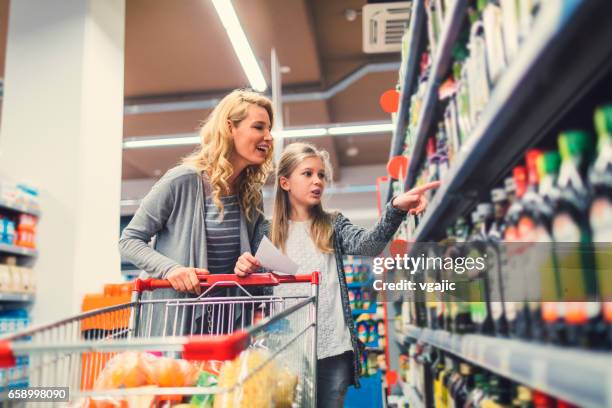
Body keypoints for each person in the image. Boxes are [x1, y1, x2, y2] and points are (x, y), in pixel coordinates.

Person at [234, 142, 440, 407]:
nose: (317, 181)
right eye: (307, 174)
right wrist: (245, 268)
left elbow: (369, 244)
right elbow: (255, 291)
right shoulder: (265, 231)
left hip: (333, 350)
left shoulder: (332, 223)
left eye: (321, 175)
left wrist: (396, 208)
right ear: (285, 182)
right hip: (287, 349)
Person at [119, 89, 274, 336]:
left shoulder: (251, 194)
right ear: (229, 128)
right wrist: (171, 270)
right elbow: (129, 241)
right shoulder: (182, 181)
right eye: (259, 127)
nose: (268, 136)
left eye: (269, 129)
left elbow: (258, 256)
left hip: (226, 323)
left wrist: (251, 264)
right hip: (176, 322)